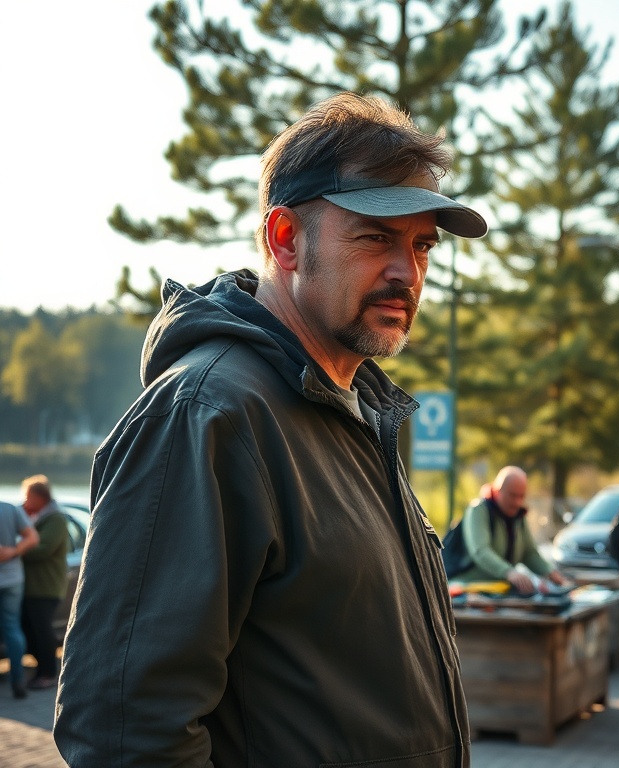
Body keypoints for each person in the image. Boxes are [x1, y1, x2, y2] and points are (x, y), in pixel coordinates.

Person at [55, 92, 488, 767]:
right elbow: (123, 732)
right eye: (376, 237)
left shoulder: (352, 414)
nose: (409, 273)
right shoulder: (209, 414)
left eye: (422, 245)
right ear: (285, 239)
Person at [457, 466, 568, 593]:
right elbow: (480, 551)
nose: (517, 502)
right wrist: (509, 572)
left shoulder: (518, 516)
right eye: (512, 495)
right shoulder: (478, 511)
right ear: (498, 491)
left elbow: (529, 553)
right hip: (468, 588)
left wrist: (549, 572)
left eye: (521, 496)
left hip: (501, 589)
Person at [19, 475, 69, 690]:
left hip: (46, 586)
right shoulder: (37, 517)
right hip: (32, 586)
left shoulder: (56, 519)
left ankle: (49, 673)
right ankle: (41, 669)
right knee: (29, 628)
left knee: (42, 630)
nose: (25, 502)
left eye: (28, 497)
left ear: (40, 497)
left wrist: (15, 551)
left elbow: (44, 549)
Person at [0, 500, 39, 700]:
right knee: (12, 628)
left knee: (11, 628)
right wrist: (13, 551)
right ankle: (18, 681)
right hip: (13, 579)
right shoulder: (10, 509)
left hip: (11, 579)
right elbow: (32, 538)